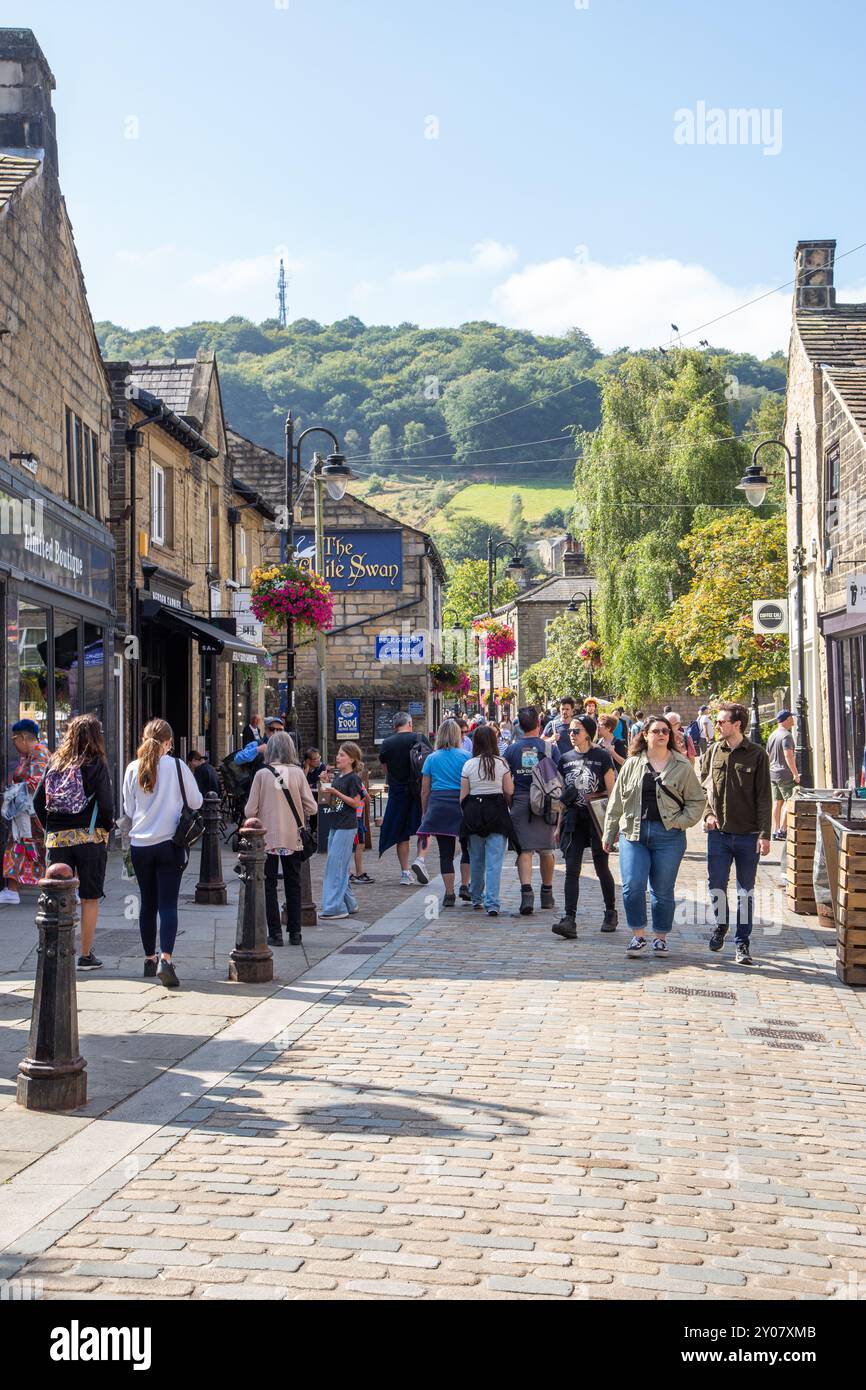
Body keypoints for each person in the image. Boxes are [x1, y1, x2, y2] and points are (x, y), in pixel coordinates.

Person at [603, 716, 705, 957]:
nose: (661, 735)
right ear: (645, 735)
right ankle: (638, 936)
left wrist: (680, 822)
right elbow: (617, 800)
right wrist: (609, 832)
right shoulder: (632, 764)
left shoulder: (681, 765)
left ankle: (660, 937)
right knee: (632, 886)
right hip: (633, 833)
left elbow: (697, 801)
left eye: (665, 731)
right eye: (656, 731)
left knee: (662, 890)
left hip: (668, 836)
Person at [123, 719, 203, 988]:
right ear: (168, 742)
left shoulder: (133, 768)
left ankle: (148, 958)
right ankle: (165, 959)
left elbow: (129, 809)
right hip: (169, 843)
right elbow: (196, 801)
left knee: (148, 903)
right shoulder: (178, 766)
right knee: (168, 904)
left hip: (140, 846)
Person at [33, 714, 114, 970]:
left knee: (56, 897)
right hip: (89, 838)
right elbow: (107, 803)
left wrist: (52, 827)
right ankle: (85, 955)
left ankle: (54, 951)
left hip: (57, 840)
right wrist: (106, 827)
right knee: (89, 897)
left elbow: (37, 801)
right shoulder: (96, 764)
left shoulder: (55, 762)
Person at [700, 701, 772, 966]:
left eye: (721, 721)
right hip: (718, 835)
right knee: (716, 886)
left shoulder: (757, 754)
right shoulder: (712, 752)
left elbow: (765, 797)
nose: (716, 725)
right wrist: (708, 814)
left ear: (737, 724)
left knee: (745, 892)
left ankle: (742, 943)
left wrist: (765, 834)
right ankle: (721, 925)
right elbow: (704, 789)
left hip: (748, 835)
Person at [245, 731, 317, 946]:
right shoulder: (297, 773)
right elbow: (312, 808)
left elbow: (250, 810)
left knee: (268, 886)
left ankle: (275, 933)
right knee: (293, 884)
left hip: (267, 839)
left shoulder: (261, 774)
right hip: (292, 837)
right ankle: (295, 933)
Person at [552, 715, 617, 939]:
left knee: (601, 867)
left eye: (576, 731)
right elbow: (562, 797)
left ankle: (610, 912)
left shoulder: (601, 757)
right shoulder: (565, 758)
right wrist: (558, 826)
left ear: (588, 733)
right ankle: (569, 919)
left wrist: (612, 826)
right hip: (573, 819)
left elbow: (612, 792)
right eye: (570, 731)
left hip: (596, 819)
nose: (572, 734)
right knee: (572, 868)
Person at [505, 705, 560, 915]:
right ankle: (547, 894)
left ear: (519, 725)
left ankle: (526, 894)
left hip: (520, 802)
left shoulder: (511, 750)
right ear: (539, 724)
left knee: (525, 851)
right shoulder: (549, 749)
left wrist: (510, 802)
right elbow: (558, 778)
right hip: (546, 804)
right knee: (547, 850)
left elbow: (505, 781)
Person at [460, 724, 515, 917]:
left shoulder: (469, 764)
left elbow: (463, 795)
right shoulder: (501, 764)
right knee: (494, 861)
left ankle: (476, 897)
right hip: (497, 812)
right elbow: (509, 791)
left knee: (476, 858)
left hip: (474, 811)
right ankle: (492, 902)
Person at [416, 718, 470, 908]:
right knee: (467, 848)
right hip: (461, 805)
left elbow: (425, 790)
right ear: (457, 736)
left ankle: (449, 893)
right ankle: (465, 885)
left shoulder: (432, 758)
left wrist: (425, 811)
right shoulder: (466, 757)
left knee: (445, 853)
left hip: (439, 806)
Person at [0, 718, 50, 905]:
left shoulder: (38, 752)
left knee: (21, 847)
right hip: (28, 813)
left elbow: (36, 782)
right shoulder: (31, 756)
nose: (14, 744)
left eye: (14, 740)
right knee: (22, 847)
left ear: (22, 737)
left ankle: (13, 891)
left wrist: (11, 791)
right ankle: (12, 889)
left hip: (31, 815)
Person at [378, 711, 430, 885]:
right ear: (409, 724)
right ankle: (420, 860)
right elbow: (429, 764)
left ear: (395, 726)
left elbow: (385, 768)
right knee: (424, 827)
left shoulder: (387, 743)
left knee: (401, 833)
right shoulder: (419, 738)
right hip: (417, 790)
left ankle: (405, 872)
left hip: (397, 791)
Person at [318, 742, 366, 919]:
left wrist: (335, 793)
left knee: (335, 866)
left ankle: (334, 907)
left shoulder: (353, 778)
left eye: (342, 755)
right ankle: (349, 903)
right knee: (340, 866)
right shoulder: (338, 778)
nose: (338, 757)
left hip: (346, 825)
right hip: (336, 823)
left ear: (352, 759)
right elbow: (333, 803)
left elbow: (355, 802)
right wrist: (325, 783)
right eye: (338, 754)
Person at [767, 710, 800, 839]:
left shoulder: (772, 735)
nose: (793, 719)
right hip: (785, 774)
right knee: (789, 801)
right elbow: (788, 755)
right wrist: (795, 774)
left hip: (773, 773)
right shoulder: (786, 736)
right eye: (792, 717)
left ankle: (775, 830)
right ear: (786, 720)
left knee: (777, 802)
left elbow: (768, 756)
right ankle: (783, 829)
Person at [350, 756, 375, 885]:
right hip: (356, 817)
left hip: (349, 817)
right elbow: (368, 798)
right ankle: (359, 873)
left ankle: (349, 872)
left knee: (349, 846)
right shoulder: (357, 782)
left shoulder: (345, 780)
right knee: (359, 845)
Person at [303, 747, 326, 839]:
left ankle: (313, 830)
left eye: (319, 757)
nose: (318, 761)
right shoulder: (302, 767)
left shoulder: (321, 766)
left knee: (318, 804)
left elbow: (320, 783)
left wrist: (311, 784)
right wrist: (306, 769)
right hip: (305, 795)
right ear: (308, 761)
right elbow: (302, 783)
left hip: (316, 794)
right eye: (315, 759)